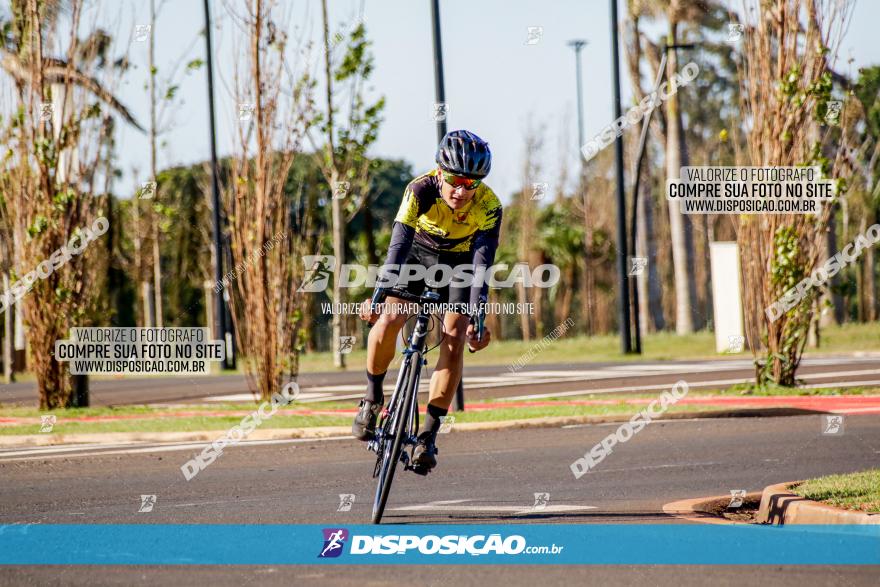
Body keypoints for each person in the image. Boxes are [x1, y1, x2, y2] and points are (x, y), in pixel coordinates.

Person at [353, 129, 502, 474]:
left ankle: (427, 436)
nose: (462, 191)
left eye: (471, 183)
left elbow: (482, 263)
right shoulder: (420, 189)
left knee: (454, 337)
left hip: (462, 262)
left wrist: (478, 315)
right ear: (439, 172)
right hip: (418, 254)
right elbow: (399, 243)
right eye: (455, 180)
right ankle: (372, 399)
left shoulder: (490, 205)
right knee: (389, 319)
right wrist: (380, 294)